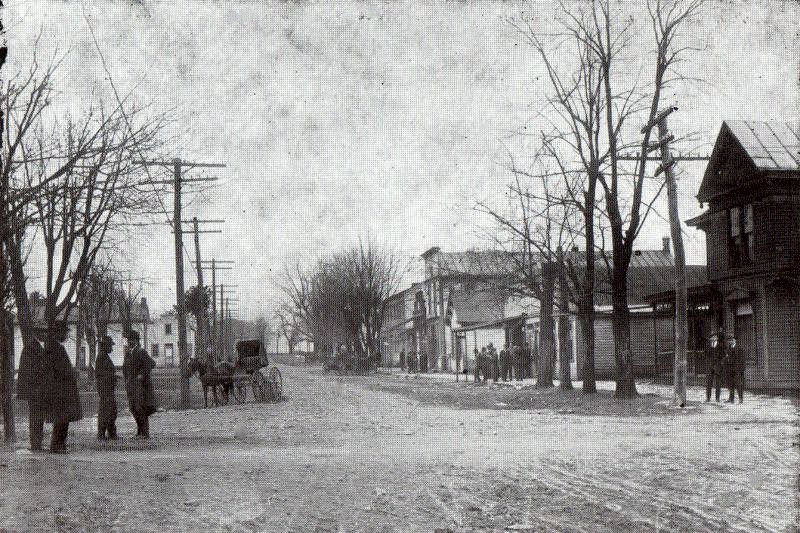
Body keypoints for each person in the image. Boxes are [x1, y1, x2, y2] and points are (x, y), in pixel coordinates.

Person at [40, 320, 83, 453]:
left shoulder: (54, 346)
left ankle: (59, 445)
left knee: (63, 419)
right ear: (57, 333)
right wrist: (71, 372)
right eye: (64, 332)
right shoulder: (54, 348)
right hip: (59, 391)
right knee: (61, 419)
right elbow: (58, 370)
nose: (66, 335)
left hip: (61, 390)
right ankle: (57, 445)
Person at [16, 324, 47, 451]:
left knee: (38, 417)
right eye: (43, 332)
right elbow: (29, 371)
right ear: (37, 333)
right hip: (34, 390)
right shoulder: (31, 349)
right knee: (35, 417)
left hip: (38, 389)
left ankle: (37, 443)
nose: (45, 335)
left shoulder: (37, 347)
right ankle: (35, 444)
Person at [122, 330, 156, 438]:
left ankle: (145, 433)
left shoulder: (141, 351)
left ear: (135, 340)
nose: (128, 342)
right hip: (131, 385)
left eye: (130, 340)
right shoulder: (128, 353)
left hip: (140, 386)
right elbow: (125, 368)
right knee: (133, 408)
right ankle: (139, 431)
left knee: (140, 408)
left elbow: (151, 363)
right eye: (128, 340)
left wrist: (142, 374)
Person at [95, 335, 119, 440]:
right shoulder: (101, 357)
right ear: (105, 346)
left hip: (107, 388)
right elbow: (101, 374)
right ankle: (102, 434)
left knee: (111, 410)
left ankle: (111, 433)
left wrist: (113, 376)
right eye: (110, 346)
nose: (112, 348)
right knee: (106, 411)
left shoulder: (104, 356)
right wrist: (113, 376)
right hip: (105, 389)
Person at [724, 335, 745, 404]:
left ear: (735, 340)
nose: (730, 341)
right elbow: (727, 358)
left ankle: (740, 399)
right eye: (729, 340)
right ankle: (731, 399)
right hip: (730, 369)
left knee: (738, 384)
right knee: (731, 384)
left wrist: (741, 370)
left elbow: (742, 360)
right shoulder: (728, 348)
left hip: (737, 369)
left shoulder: (739, 348)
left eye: (732, 340)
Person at [704, 333, 724, 402]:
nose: (714, 338)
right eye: (713, 337)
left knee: (718, 383)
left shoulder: (720, 345)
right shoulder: (708, 345)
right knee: (709, 382)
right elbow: (706, 354)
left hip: (717, 366)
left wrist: (720, 362)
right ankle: (708, 398)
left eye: (715, 337)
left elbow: (723, 355)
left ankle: (717, 398)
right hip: (710, 366)